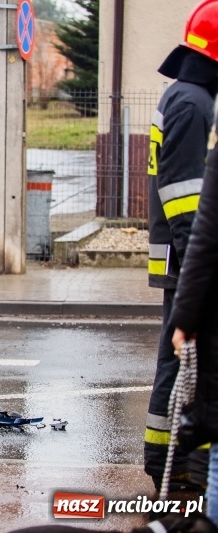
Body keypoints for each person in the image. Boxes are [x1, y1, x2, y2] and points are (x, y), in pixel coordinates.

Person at [145, 0, 218, 493]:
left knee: (175, 360)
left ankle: (168, 461)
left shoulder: (182, 96)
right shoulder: (195, 103)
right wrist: (202, 266)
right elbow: (185, 196)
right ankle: (172, 470)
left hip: (175, 257)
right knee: (181, 360)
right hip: (184, 257)